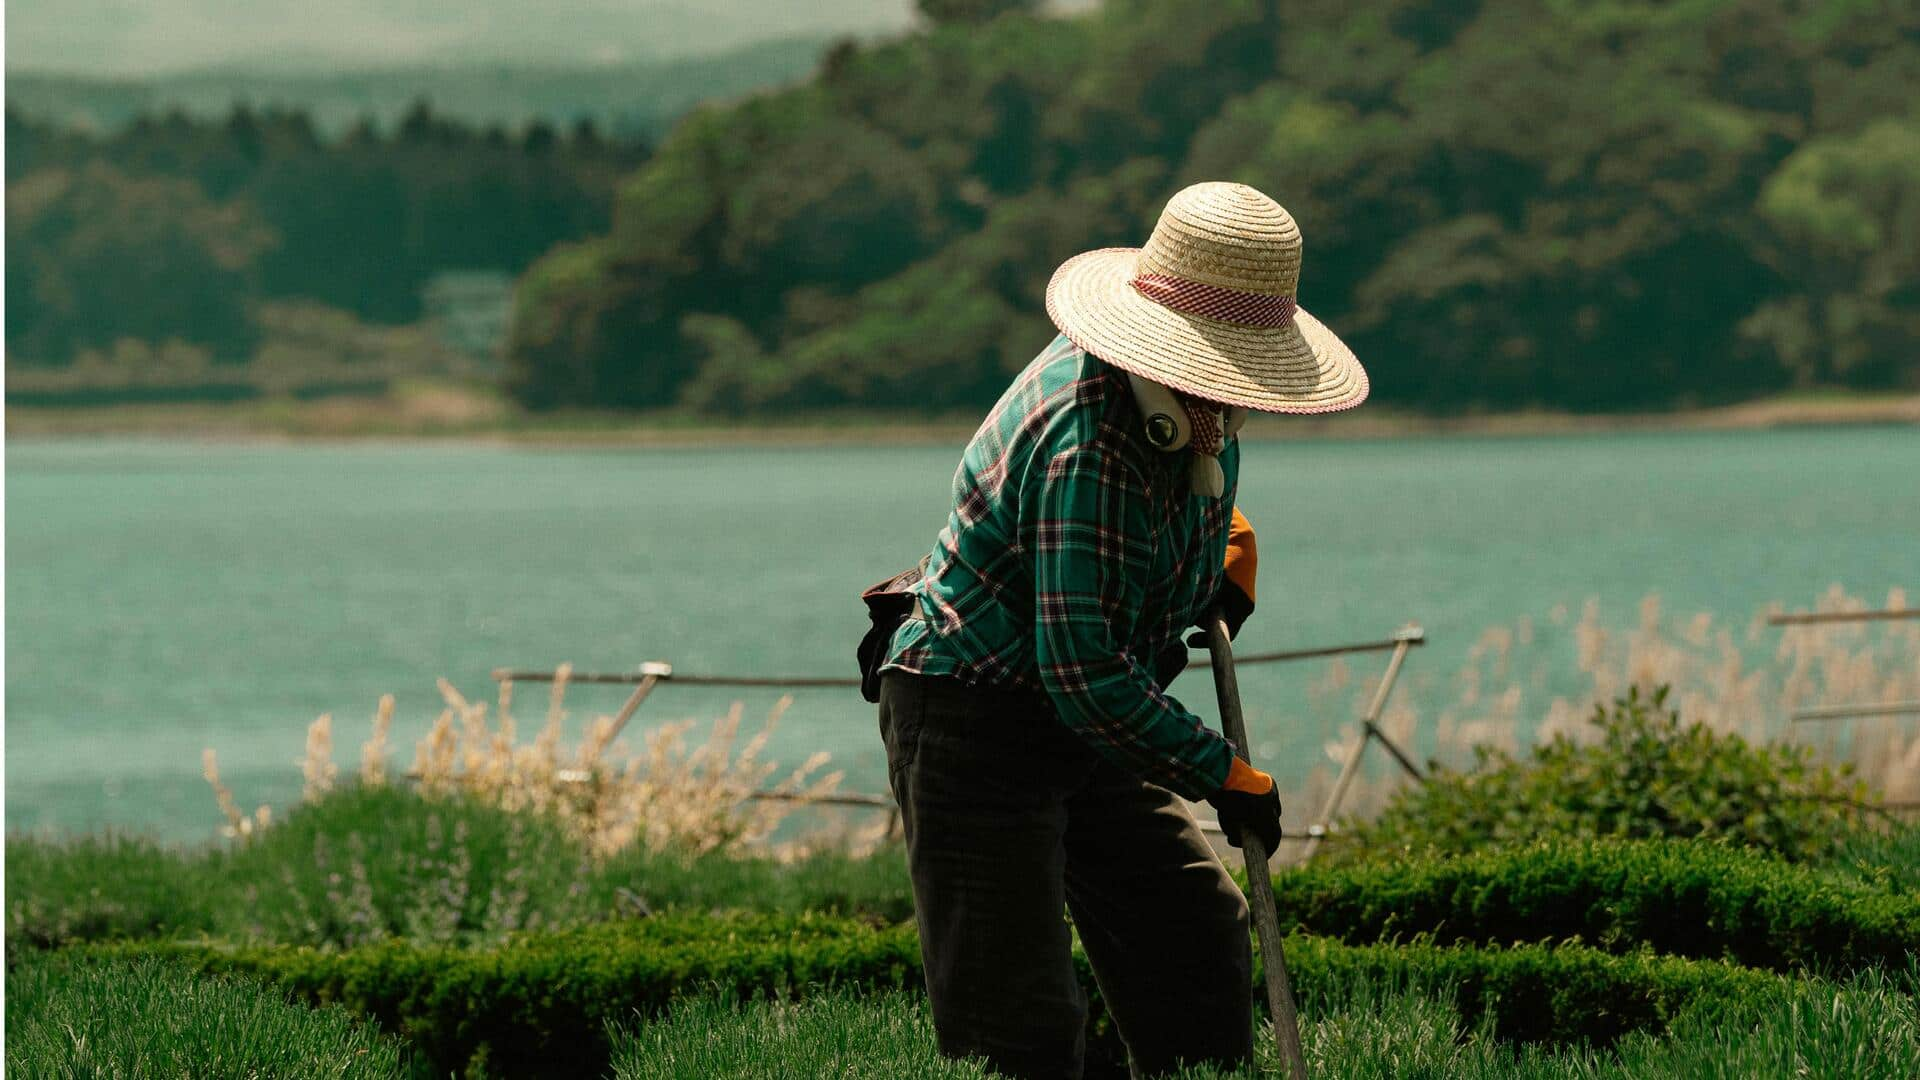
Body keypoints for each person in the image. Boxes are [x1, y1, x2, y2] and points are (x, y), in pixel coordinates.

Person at [861, 181, 1369, 1079]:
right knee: (1016, 1026)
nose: (1234, 392)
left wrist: (1212, 569)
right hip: (974, 717)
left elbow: (1157, 545)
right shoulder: (1087, 436)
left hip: (1083, 714)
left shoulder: (1200, 410)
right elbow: (1085, 671)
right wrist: (1221, 772)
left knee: (1193, 934)